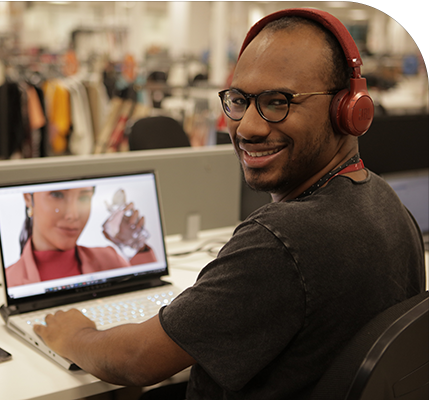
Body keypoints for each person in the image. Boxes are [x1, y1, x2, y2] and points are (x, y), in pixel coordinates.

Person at [33, 8, 425, 399]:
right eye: (239, 100)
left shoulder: (281, 241)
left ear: (348, 110)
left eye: (278, 102)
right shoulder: (388, 204)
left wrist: (75, 334)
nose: (248, 127)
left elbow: (136, 359)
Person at [6, 186, 156, 287]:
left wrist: (136, 246)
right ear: (27, 197)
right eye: (57, 195)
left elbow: (151, 303)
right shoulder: (10, 281)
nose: (73, 215)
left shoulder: (109, 260)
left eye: (84, 198)